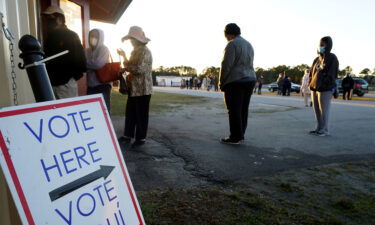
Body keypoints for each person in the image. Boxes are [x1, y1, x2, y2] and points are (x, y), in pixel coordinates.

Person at [219, 23, 257, 145]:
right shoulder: (249, 44)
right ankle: (240, 134)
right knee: (243, 109)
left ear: (227, 33)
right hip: (250, 79)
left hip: (236, 80)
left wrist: (222, 81)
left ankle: (235, 136)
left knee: (234, 109)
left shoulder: (232, 44)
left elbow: (226, 65)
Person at [117, 26, 153, 147]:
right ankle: (127, 136)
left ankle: (140, 138)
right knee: (131, 113)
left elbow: (139, 69)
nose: (131, 41)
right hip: (134, 88)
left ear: (138, 40)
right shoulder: (135, 51)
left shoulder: (145, 51)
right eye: (131, 39)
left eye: (133, 39)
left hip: (143, 89)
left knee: (141, 115)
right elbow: (130, 65)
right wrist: (123, 56)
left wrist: (126, 68)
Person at [42, 6, 86, 99]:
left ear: (60, 19)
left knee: (69, 110)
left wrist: (69, 78)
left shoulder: (71, 36)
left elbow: (80, 61)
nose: (47, 22)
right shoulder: (49, 38)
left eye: (50, 19)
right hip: (50, 84)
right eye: (46, 19)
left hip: (66, 86)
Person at [308, 36, 339, 136]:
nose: (321, 46)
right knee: (316, 110)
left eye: (323, 44)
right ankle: (319, 127)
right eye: (320, 44)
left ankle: (325, 130)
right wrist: (310, 83)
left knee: (324, 110)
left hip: (325, 89)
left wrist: (324, 82)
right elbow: (311, 73)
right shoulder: (317, 59)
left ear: (328, 45)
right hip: (314, 88)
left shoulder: (332, 58)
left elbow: (332, 74)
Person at [85, 29, 111, 111]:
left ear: (101, 37)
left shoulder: (104, 49)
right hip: (90, 85)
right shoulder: (86, 51)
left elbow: (98, 64)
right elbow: (82, 64)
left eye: (96, 36)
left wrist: (87, 65)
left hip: (103, 84)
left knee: (104, 109)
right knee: (91, 110)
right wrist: (91, 64)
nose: (93, 38)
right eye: (91, 36)